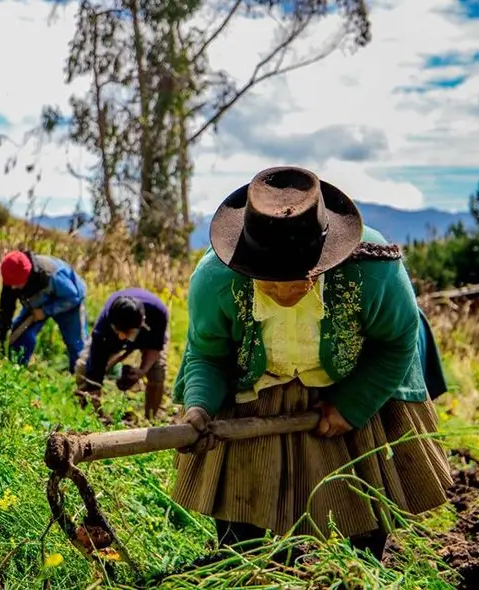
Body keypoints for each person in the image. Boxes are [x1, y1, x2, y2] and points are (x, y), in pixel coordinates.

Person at [171, 166, 452, 562]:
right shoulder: (215, 279)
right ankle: (244, 562)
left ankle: (361, 567)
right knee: (239, 510)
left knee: (364, 499)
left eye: (294, 279)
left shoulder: (373, 271)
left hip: (354, 373)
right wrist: (199, 407)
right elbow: (207, 354)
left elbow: (397, 341)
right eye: (268, 280)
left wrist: (352, 406)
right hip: (257, 376)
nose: (282, 291)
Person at [75, 288, 170, 420]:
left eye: (127, 333)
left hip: (148, 333)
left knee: (157, 372)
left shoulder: (158, 314)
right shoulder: (103, 329)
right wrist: (93, 392)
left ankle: (151, 419)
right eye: (119, 332)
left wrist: (142, 371)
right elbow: (94, 371)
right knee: (84, 367)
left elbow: (155, 347)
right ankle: (92, 418)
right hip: (110, 338)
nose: (122, 337)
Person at [0, 250, 88, 370]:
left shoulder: (52, 275)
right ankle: (16, 368)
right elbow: (6, 308)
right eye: (10, 284)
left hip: (69, 300)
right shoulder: (11, 276)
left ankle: (82, 375)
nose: (13, 287)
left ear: (27, 276)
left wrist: (46, 311)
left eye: (17, 284)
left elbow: (73, 297)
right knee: (21, 332)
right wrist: (0, 336)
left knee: (76, 343)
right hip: (38, 301)